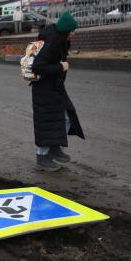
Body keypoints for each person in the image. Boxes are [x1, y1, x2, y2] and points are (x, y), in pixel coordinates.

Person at [31, 12, 85, 172]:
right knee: (46, 122)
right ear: (66, 30)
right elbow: (37, 66)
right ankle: (41, 158)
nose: (73, 34)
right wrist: (60, 67)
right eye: (72, 31)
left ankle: (53, 148)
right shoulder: (53, 40)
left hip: (55, 87)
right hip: (44, 89)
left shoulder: (59, 38)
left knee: (65, 116)